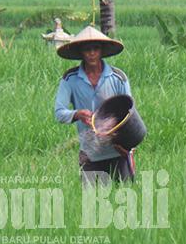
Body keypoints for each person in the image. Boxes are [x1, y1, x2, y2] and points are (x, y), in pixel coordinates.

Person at [53, 26, 135, 182]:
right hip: (90, 152)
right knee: (90, 202)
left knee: (125, 197)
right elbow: (59, 112)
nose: (92, 53)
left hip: (118, 150)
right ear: (80, 52)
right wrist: (77, 114)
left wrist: (127, 144)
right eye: (87, 49)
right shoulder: (70, 79)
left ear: (102, 50)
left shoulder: (117, 78)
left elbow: (130, 113)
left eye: (96, 48)